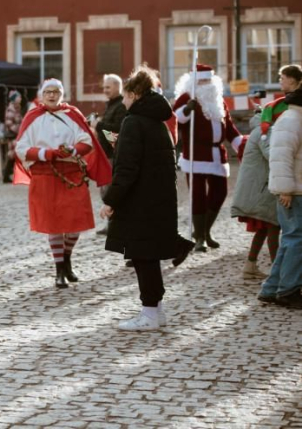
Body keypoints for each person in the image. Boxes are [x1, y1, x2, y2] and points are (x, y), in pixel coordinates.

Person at [99, 65, 195, 331]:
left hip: (140, 202)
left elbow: (127, 169)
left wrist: (111, 201)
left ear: (135, 94)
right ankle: (156, 312)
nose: (125, 101)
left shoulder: (133, 122)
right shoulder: (157, 121)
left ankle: (150, 314)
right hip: (158, 199)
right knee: (149, 256)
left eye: (127, 96)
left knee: (143, 257)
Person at [14, 78, 112, 289]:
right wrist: (47, 153)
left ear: (62, 94)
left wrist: (72, 150)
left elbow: (87, 141)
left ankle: (67, 259)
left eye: (56, 92)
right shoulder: (32, 117)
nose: (52, 95)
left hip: (72, 175)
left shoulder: (72, 114)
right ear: (42, 94)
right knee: (54, 224)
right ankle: (59, 270)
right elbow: (21, 149)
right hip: (45, 175)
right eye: (48, 92)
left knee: (75, 224)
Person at [173, 64, 244, 253]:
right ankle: (200, 237)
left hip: (217, 154)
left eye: (208, 80)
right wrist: (188, 110)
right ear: (194, 81)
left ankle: (205, 230)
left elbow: (229, 127)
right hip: (196, 154)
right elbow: (176, 119)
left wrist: (240, 145)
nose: (206, 84)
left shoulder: (218, 100)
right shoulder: (187, 98)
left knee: (219, 193)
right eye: (202, 80)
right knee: (198, 196)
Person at [259, 84, 302, 309]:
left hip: (294, 188)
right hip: (294, 191)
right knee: (296, 240)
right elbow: (281, 158)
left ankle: (271, 288)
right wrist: (286, 189)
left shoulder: (291, 119)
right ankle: (288, 290)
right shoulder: (293, 121)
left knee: (290, 239)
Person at [230, 111, 279, 279]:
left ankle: (250, 265)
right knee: (274, 224)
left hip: (259, 187)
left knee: (266, 226)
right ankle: (277, 271)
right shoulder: (265, 132)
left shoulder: (262, 129)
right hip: (260, 188)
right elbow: (273, 156)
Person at [90, 74, 127, 235]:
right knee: (105, 190)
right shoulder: (110, 105)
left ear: (117, 87)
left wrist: (99, 125)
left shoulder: (120, 106)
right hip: (105, 154)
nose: (105, 90)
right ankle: (110, 224)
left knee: (111, 189)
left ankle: (116, 225)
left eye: (108, 87)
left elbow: (116, 133)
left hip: (113, 155)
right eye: (104, 87)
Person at [3, 90, 23, 183]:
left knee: (13, 154)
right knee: (12, 154)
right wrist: (19, 130)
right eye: (18, 97)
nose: (20, 98)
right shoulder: (11, 109)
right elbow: (9, 123)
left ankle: (8, 175)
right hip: (13, 135)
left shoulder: (16, 108)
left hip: (16, 135)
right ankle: (6, 175)